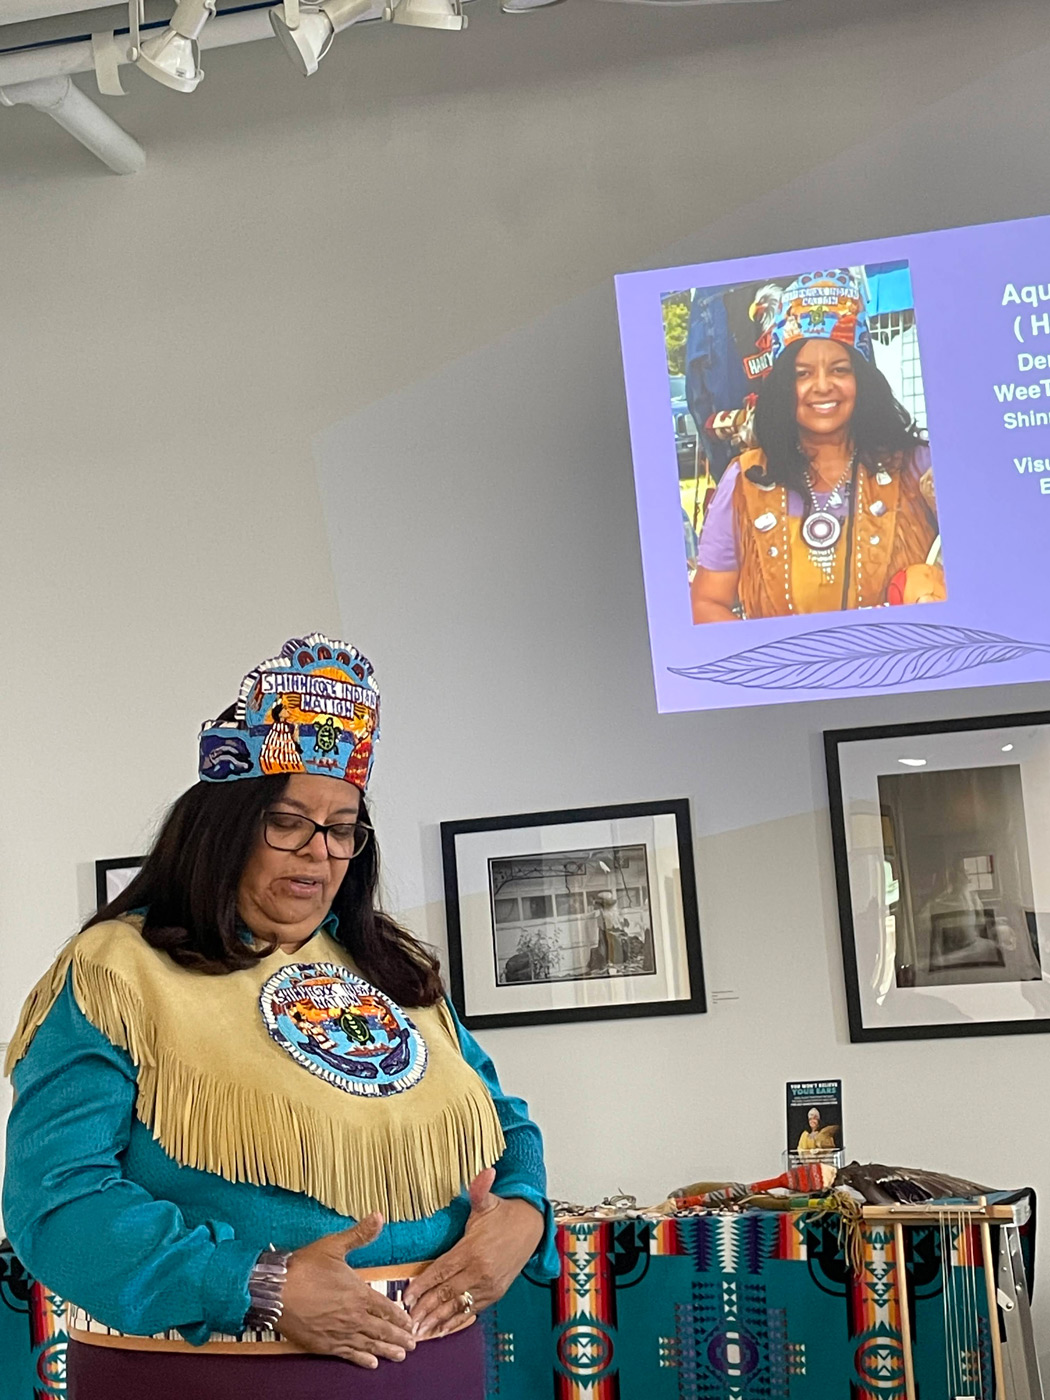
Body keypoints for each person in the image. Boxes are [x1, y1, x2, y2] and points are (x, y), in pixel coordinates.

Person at [3, 633, 557, 1400]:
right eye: (287, 821)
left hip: (436, 1367)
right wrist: (253, 1283)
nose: (317, 851)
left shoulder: (388, 967)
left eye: (341, 827)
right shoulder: (118, 972)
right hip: (210, 1377)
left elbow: (503, 1125)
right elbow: (58, 1202)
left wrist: (523, 1214)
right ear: (223, 826)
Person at [690, 269, 945, 622]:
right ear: (782, 385)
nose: (823, 386)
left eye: (840, 370)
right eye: (802, 374)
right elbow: (707, 603)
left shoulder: (920, 467)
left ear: (863, 380)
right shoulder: (744, 480)